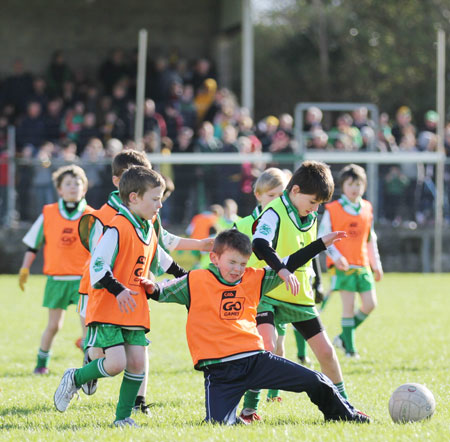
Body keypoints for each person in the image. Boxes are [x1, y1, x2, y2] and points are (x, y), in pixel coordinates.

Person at [140, 229, 370, 425]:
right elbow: (162, 291)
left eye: (242, 263)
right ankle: (234, 417)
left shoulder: (254, 278)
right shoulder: (195, 280)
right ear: (214, 258)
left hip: (257, 361)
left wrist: (320, 244)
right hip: (220, 372)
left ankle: (343, 415)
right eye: (232, 262)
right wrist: (151, 288)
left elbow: (288, 263)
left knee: (316, 381)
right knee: (217, 425)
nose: (237, 269)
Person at [77, 149, 213, 412]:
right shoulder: (105, 217)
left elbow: (161, 244)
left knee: (139, 349)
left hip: (135, 289)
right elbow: (99, 260)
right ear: (121, 183)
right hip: (102, 290)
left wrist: (197, 249)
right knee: (104, 353)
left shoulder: (149, 211)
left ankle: (138, 401)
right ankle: (90, 363)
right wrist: (116, 285)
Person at [53, 166, 165, 427]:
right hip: (108, 308)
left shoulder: (148, 227)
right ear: (134, 198)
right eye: (155, 198)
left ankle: (122, 418)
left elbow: (158, 259)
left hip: (134, 309)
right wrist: (118, 289)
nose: (160, 204)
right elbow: (97, 267)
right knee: (115, 364)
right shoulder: (117, 227)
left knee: (137, 364)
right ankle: (75, 378)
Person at [240, 161, 350, 423]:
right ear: (295, 190)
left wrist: (320, 262)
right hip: (266, 290)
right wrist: (281, 270)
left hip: (298, 294)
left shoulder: (309, 215)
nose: (315, 208)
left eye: (319, 204)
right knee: (266, 347)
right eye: (313, 201)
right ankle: (249, 410)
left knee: (325, 352)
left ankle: (344, 406)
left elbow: (305, 255)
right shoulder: (273, 211)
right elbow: (260, 245)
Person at [19, 164, 94, 374]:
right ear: (59, 189)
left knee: (88, 326)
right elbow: (33, 244)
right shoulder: (48, 213)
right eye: (67, 184)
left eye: (77, 183)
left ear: (84, 189)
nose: (73, 187)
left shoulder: (92, 216)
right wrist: (25, 269)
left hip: (83, 280)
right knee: (53, 326)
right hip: (56, 279)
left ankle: (88, 369)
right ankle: (41, 364)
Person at [319, 164, 383, 358]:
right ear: (343, 186)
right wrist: (336, 257)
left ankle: (342, 338)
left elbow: (370, 239)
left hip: (362, 264)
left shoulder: (367, 208)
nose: (354, 188)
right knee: (348, 306)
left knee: (370, 304)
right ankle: (350, 350)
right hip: (343, 267)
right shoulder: (333, 209)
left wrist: (376, 265)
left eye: (358, 184)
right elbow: (323, 236)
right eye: (350, 184)